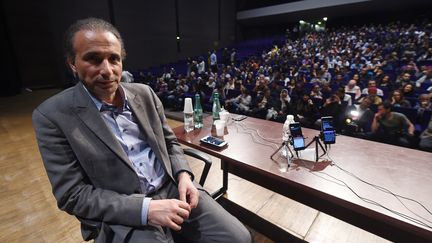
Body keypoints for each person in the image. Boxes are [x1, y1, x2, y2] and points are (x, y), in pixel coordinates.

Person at [32, 18, 251, 243]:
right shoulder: (51, 116)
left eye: (113, 59)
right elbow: (72, 195)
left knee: (239, 238)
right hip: (125, 210)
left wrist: (183, 175)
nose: (107, 70)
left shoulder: (144, 93)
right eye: (93, 59)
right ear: (72, 64)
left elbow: (170, 143)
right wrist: (147, 209)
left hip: (173, 188)